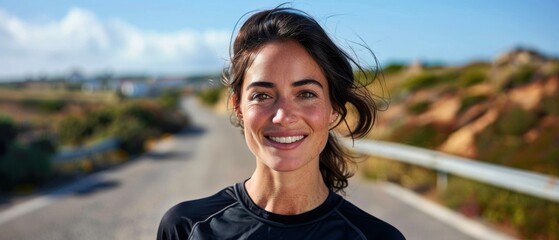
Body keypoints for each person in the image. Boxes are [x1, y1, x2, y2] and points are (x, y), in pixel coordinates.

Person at [157, 6, 405, 240]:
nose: (283, 116)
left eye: (306, 94)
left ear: (334, 109)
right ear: (238, 107)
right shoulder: (186, 228)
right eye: (262, 96)